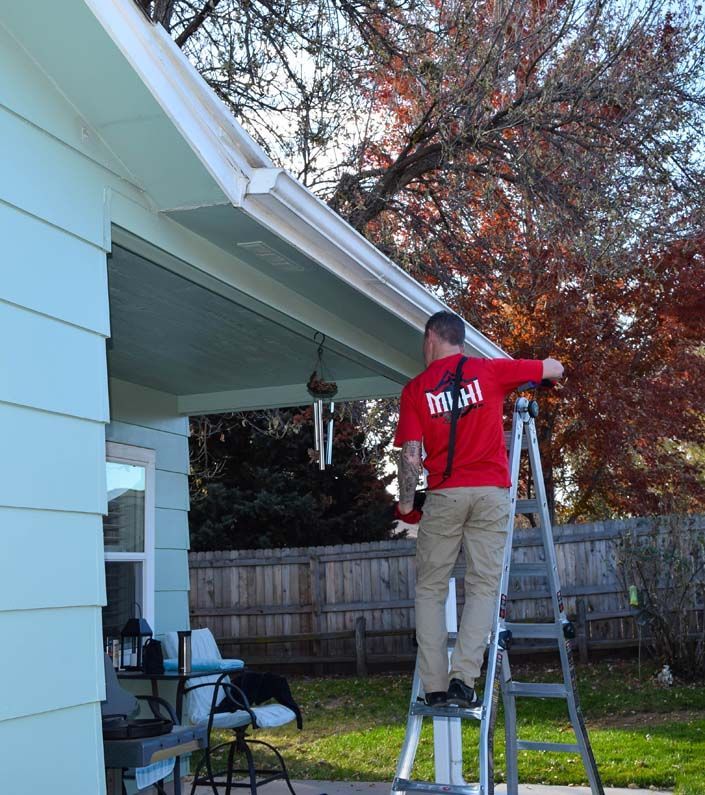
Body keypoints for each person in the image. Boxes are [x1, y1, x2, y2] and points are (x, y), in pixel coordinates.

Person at [394, 311, 564, 707]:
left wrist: (406, 506)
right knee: (484, 586)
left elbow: (411, 456)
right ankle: (464, 680)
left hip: (445, 496)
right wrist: (542, 375)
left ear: (432, 338)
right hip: (490, 494)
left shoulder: (416, 390)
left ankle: (434, 686)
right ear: (461, 340)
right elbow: (553, 368)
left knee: (431, 589)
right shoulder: (490, 371)